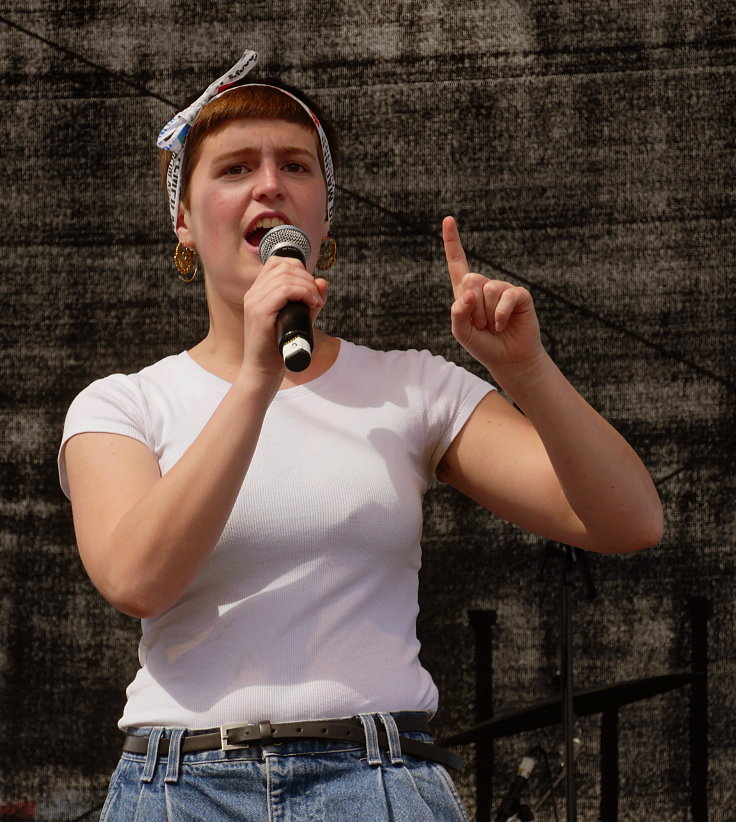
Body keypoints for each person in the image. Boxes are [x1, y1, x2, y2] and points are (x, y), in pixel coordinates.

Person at [58, 49, 663, 821]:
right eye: (236, 167)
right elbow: (137, 577)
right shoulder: (123, 404)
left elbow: (629, 520)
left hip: (375, 781)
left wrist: (529, 371)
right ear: (182, 218)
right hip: (181, 786)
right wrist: (255, 380)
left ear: (324, 215)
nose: (270, 184)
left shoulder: (411, 387)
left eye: (297, 167)